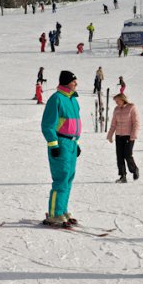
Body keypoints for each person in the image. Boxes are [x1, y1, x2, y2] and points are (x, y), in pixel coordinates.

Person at [40, 71, 82, 225]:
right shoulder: (56, 98)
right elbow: (48, 124)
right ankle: (54, 214)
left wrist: (76, 143)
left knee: (69, 178)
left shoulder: (73, 100)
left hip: (71, 143)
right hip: (61, 143)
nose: (76, 84)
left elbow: (73, 125)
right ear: (66, 82)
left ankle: (62, 210)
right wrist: (53, 144)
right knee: (61, 178)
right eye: (74, 81)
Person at [106, 93, 140, 183]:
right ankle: (122, 176)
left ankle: (134, 169)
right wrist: (110, 135)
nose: (116, 103)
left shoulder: (131, 107)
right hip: (119, 136)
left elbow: (136, 123)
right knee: (119, 156)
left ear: (122, 99)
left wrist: (133, 135)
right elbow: (113, 124)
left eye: (117, 101)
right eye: (115, 101)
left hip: (129, 135)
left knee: (128, 155)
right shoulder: (116, 109)